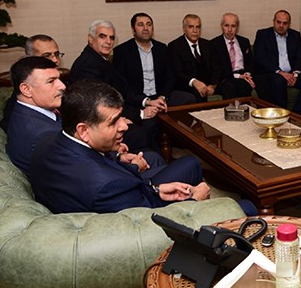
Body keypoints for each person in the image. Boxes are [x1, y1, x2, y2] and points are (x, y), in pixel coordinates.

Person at [29, 78, 211, 214]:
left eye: (121, 117)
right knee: (195, 168)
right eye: (113, 121)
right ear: (83, 130)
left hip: (125, 201)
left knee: (185, 163)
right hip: (138, 221)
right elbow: (147, 229)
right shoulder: (108, 185)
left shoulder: (46, 141)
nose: (124, 126)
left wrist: (155, 190)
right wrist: (195, 202)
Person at [69, 19, 154, 151]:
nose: (108, 42)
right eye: (102, 36)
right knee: (142, 132)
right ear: (90, 39)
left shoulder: (100, 59)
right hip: (96, 122)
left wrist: (146, 102)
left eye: (112, 38)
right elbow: (100, 104)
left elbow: (122, 88)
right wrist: (140, 114)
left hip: (112, 112)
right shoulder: (88, 65)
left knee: (153, 123)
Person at [112, 12, 194, 150]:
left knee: (188, 99)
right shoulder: (122, 52)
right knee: (150, 124)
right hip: (138, 100)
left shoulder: (162, 48)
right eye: (141, 25)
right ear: (133, 29)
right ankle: (157, 155)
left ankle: (180, 142)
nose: (145, 28)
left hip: (160, 95)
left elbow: (170, 77)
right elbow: (123, 88)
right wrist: (147, 102)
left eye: (149, 24)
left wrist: (162, 97)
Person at [5, 56, 65, 177]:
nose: (62, 86)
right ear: (26, 89)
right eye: (51, 81)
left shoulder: (21, 111)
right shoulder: (45, 135)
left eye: (59, 79)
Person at [253, 10, 301, 115]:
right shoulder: (263, 35)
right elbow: (261, 58)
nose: (281, 26)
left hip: (292, 73)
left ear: (289, 24)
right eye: (278, 22)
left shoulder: (295, 35)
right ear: (273, 21)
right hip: (272, 73)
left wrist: (295, 74)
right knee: (279, 80)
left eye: (285, 23)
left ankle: (297, 112)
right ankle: (282, 113)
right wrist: (280, 72)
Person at [0, 34, 65, 131]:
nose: (55, 60)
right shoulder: (18, 106)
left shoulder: (59, 84)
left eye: (56, 54)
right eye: (46, 56)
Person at [167, 14, 215, 102]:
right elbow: (177, 73)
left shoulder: (207, 45)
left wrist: (212, 85)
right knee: (196, 94)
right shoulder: (175, 46)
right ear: (184, 29)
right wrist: (194, 82)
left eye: (198, 27)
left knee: (229, 87)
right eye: (191, 27)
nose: (195, 31)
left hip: (208, 85)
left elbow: (216, 68)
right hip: (187, 85)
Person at [210, 12, 255, 99]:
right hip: (225, 78)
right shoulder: (214, 44)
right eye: (226, 26)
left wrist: (247, 74)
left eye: (233, 26)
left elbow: (251, 63)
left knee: (245, 84)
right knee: (231, 86)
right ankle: (231, 108)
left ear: (237, 28)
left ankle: (245, 107)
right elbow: (217, 69)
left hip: (243, 76)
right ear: (222, 26)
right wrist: (239, 76)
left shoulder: (244, 42)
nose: (229, 30)